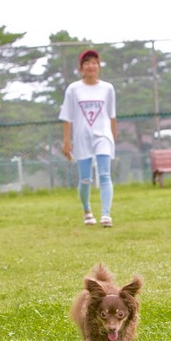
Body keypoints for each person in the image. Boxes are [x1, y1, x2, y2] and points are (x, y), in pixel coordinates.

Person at [59, 49, 117, 227]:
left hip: (103, 136)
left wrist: (112, 138)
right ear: (81, 68)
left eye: (94, 63)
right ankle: (87, 210)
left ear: (99, 66)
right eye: (87, 63)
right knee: (85, 179)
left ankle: (106, 215)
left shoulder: (107, 88)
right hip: (82, 137)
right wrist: (67, 142)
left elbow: (112, 116)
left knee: (105, 174)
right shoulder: (74, 89)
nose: (91, 66)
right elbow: (67, 117)